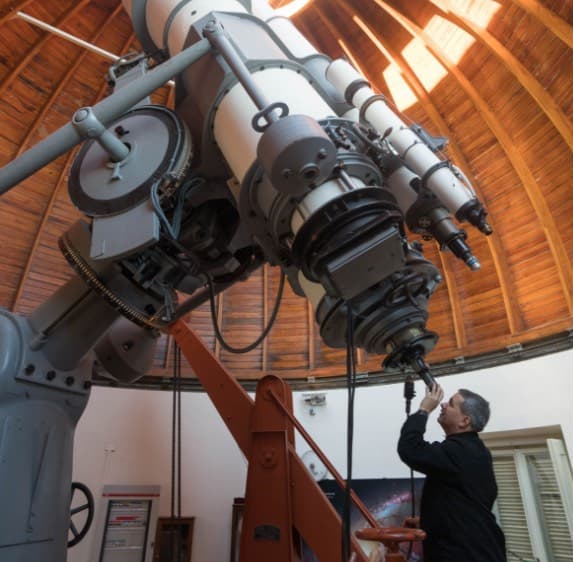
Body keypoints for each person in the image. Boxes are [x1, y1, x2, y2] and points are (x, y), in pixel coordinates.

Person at [397, 384, 507, 562]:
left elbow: (410, 448)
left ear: (465, 421)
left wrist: (424, 410)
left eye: (451, 404)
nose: (443, 405)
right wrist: (429, 520)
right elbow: (464, 502)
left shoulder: (461, 451)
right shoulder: (472, 450)